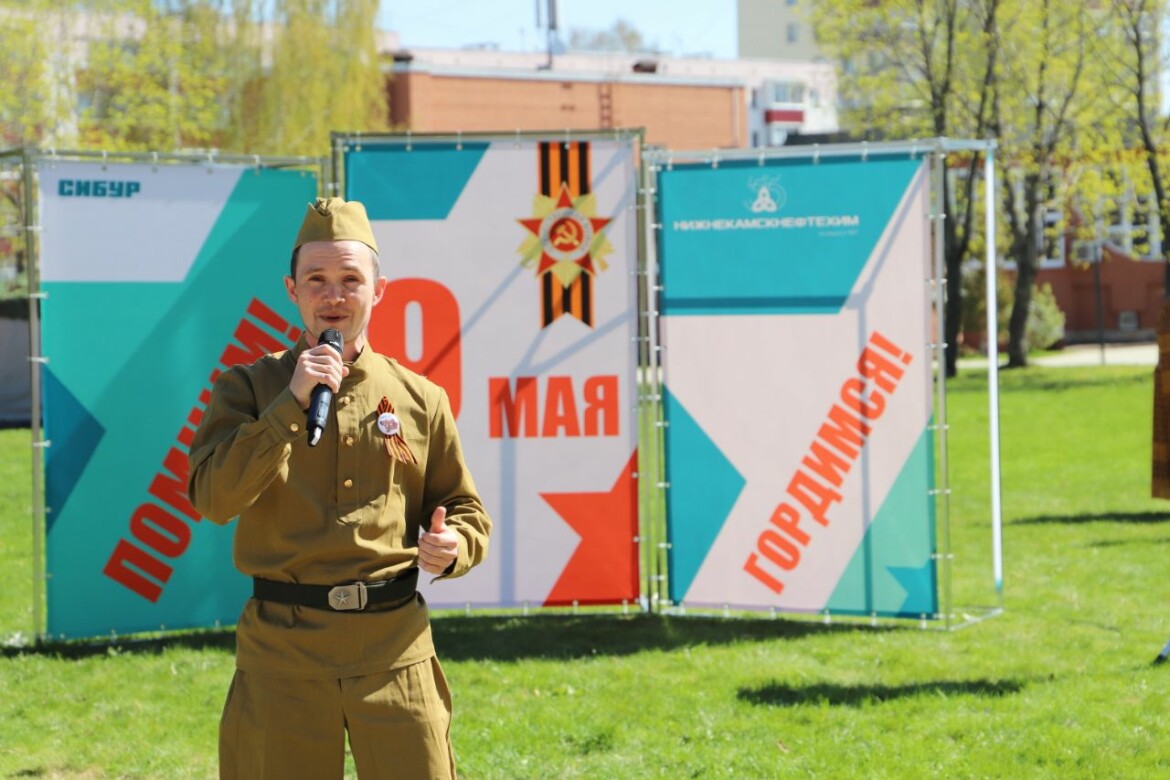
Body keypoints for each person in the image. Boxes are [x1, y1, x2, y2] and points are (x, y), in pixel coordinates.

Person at [188, 197, 492, 779]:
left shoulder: (421, 397)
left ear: (379, 290)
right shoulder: (247, 388)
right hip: (282, 656)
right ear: (292, 290)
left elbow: (463, 508)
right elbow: (213, 500)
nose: (334, 295)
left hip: (395, 651)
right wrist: (289, 405)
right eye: (316, 280)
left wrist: (454, 545)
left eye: (351, 279)